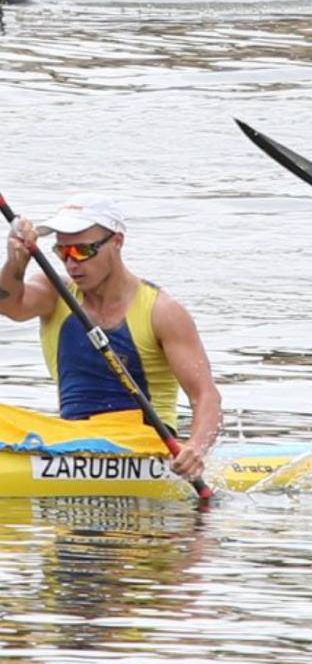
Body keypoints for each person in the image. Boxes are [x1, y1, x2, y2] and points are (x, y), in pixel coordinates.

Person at [0, 195, 222, 478]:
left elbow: (206, 395)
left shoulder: (162, 311)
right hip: (74, 439)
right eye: (62, 252)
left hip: (145, 444)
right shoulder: (55, 293)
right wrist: (15, 262)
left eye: (82, 251)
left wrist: (196, 449)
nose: (71, 264)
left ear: (117, 242)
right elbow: (9, 306)